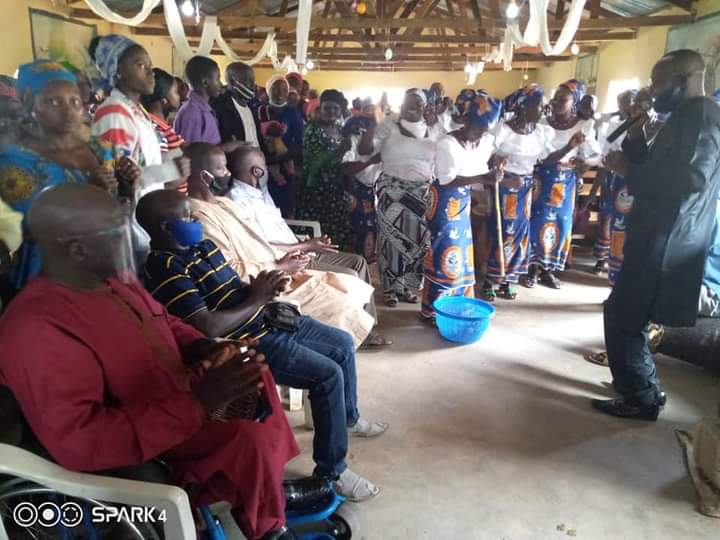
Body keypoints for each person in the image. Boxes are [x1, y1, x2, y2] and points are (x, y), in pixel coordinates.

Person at [0, 183, 300, 540]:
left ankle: (265, 495)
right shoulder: (37, 327)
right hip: (144, 436)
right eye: (118, 232)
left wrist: (201, 348)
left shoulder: (113, 282)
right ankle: (264, 524)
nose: (134, 239)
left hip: (173, 396)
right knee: (246, 435)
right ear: (77, 249)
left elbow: (164, 322)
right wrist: (199, 404)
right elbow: (83, 439)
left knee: (253, 376)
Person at [138, 189, 386, 501]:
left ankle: (347, 418)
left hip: (268, 317)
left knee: (342, 343)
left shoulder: (201, 245)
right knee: (327, 375)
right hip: (246, 340)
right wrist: (257, 298)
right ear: (164, 228)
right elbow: (204, 326)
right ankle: (332, 471)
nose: (196, 221)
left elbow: (234, 288)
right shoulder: (164, 268)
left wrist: (264, 287)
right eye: (188, 218)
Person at [591, 49, 720, 420]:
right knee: (628, 312)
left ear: (687, 80)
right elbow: (657, 165)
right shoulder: (681, 115)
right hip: (657, 231)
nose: (653, 88)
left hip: (668, 238)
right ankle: (639, 384)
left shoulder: (702, 116)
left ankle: (642, 396)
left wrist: (628, 172)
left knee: (625, 314)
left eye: (659, 81)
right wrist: (635, 132)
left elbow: (691, 178)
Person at [185, 143, 376, 348]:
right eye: (222, 168)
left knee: (351, 287)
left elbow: (258, 243)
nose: (228, 173)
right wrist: (282, 265)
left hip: (279, 267)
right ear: (206, 177)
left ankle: (349, 340)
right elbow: (229, 269)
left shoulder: (224, 204)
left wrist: (289, 258)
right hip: (262, 286)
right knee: (343, 301)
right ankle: (340, 346)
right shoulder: (201, 217)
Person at [0, 60, 139, 290]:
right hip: (54, 272)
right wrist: (92, 193)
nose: (68, 110)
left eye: (74, 101)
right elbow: (32, 230)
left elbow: (119, 212)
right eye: (53, 101)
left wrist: (128, 187)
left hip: (108, 260)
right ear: (30, 106)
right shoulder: (15, 162)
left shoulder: (101, 148)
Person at [421, 93, 505, 320]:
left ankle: (456, 304)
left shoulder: (486, 141)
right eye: (476, 126)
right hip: (444, 201)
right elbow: (447, 178)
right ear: (466, 119)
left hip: (465, 200)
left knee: (463, 251)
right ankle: (432, 310)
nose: (479, 132)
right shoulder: (447, 143)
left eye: (484, 128)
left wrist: (496, 165)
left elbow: (487, 158)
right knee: (444, 250)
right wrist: (484, 178)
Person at [358, 89, 441, 307]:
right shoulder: (388, 124)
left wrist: (440, 121)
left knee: (418, 242)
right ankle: (390, 288)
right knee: (391, 240)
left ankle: (407, 287)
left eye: (419, 103)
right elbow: (364, 149)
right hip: (391, 191)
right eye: (409, 102)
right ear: (401, 105)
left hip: (422, 193)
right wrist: (375, 122)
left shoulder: (434, 128)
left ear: (426, 106)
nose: (413, 106)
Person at [524, 79, 600, 289]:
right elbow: (541, 155)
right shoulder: (542, 123)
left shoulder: (583, 126)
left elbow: (596, 156)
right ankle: (531, 269)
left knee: (560, 224)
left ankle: (548, 269)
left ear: (574, 102)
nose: (557, 102)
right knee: (535, 222)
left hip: (565, 182)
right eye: (555, 98)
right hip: (541, 180)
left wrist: (586, 162)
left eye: (563, 99)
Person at [482, 84, 551, 301]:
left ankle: (510, 278)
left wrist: (571, 148)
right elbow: (484, 158)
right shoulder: (502, 130)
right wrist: (499, 167)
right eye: (540, 106)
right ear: (524, 107)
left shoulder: (540, 132)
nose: (543, 110)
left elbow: (545, 159)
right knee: (502, 232)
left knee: (521, 233)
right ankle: (492, 278)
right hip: (503, 187)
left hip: (526, 188)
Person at [297, 89, 355, 251]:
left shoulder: (339, 128)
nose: (331, 112)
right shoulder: (312, 129)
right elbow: (314, 162)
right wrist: (340, 151)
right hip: (316, 190)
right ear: (320, 108)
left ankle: (337, 265)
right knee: (318, 231)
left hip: (337, 189)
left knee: (336, 232)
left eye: (335, 108)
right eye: (327, 108)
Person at [587, 89, 637, 276]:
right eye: (623, 102)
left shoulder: (646, 126)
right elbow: (605, 158)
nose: (627, 106)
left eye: (631, 101)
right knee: (608, 220)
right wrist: (596, 191)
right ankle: (604, 259)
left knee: (627, 226)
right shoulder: (615, 127)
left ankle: (623, 264)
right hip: (614, 179)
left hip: (633, 181)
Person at [258, 75, 304, 218]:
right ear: (268, 90)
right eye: (275, 89)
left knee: (284, 209)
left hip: (285, 169)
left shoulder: (293, 114)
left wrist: (281, 157)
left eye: (284, 90)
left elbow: (300, 145)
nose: (279, 93)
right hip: (261, 166)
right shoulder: (259, 111)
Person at [340, 114, 382, 263]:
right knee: (355, 229)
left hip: (371, 191)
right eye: (365, 130)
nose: (366, 133)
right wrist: (370, 161)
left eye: (372, 130)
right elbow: (345, 169)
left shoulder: (380, 144)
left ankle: (364, 262)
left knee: (370, 228)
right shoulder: (352, 141)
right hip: (353, 189)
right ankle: (354, 263)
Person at [140, 68, 187, 192]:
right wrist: (182, 174)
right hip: (168, 203)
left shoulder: (163, 126)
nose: (179, 97)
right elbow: (158, 180)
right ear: (163, 101)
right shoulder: (156, 130)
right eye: (176, 92)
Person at [214, 62, 265, 150]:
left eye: (253, 80)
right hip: (237, 161)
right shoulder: (221, 108)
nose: (253, 85)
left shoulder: (252, 105)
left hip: (258, 159)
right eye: (248, 80)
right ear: (234, 81)